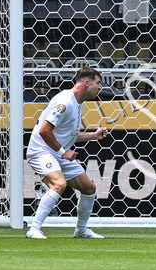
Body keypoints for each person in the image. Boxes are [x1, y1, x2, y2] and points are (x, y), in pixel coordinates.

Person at [25, 67, 110, 239]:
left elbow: (69, 135)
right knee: (59, 184)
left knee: (89, 188)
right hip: (41, 151)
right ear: (87, 83)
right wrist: (63, 151)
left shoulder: (77, 103)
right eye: (98, 83)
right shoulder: (65, 102)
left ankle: (81, 230)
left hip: (56, 152)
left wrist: (93, 136)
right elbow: (44, 131)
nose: (100, 87)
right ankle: (33, 229)